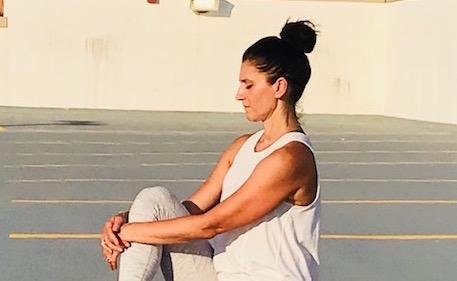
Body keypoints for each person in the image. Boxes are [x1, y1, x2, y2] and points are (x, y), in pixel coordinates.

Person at [101, 20, 320, 281]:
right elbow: (192, 210)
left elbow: (212, 224)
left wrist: (129, 232)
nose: (239, 94)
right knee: (153, 200)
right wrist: (129, 219)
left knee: (150, 223)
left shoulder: (291, 158)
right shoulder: (242, 146)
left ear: (279, 87)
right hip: (218, 275)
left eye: (248, 84)